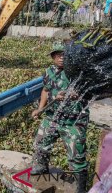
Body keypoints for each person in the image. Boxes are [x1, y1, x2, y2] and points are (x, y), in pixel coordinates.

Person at [31, 41, 89, 193]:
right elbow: (45, 89)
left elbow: (90, 91)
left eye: (64, 55)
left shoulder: (79, 72)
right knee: (40, 144)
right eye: (57, 55)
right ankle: (40, 169)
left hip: (74, 121)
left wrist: (77, 94)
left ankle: (79, 187)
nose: (61, 58)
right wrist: (40, 108)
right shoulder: (49, 71)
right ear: (52, 57)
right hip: (52, 117)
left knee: (77, 155)